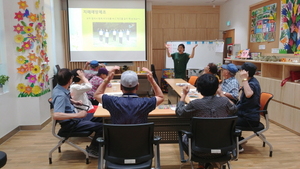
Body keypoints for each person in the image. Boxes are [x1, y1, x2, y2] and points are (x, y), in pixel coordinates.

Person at [176, 74, 237, 169]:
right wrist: (221, 94)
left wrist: (184, 95)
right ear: (217, 87)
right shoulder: (224, 102)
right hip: (223, 149)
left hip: (199, 151)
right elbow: (234, 108)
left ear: (199, 89)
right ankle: (206, 163)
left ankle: (202, 163)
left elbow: (179, 112)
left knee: (185, 136)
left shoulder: (195, 104)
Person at [51, 68, 102, 158]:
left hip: (76, 119)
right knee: (102, 127)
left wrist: (73, 102)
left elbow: (63, 100)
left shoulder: (58, 88)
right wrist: (77, 115)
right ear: (70, 80)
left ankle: (99, 146)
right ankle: (93, 150)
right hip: (71, 123)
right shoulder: (60, 95)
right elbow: (56, 115)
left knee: (101, 117)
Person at [94, 67, 164, 124]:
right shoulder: (145, 102)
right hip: (140, 140)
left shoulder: (112, 101)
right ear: (137, 87)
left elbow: (97, 95)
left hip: (116, 140)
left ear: (121, 87)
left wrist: (107, 79)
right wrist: (152, 81)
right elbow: (160, 97)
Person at [236, 62, 261, 152]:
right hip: (245, 114)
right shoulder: (251, 81)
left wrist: (244, 79)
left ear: (246, 73)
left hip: (249, 117)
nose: (239, 72)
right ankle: (238, 139)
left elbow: (249, 94)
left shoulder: (251, 83)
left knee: (227, 120)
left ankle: (238, 145)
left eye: (241, 70)